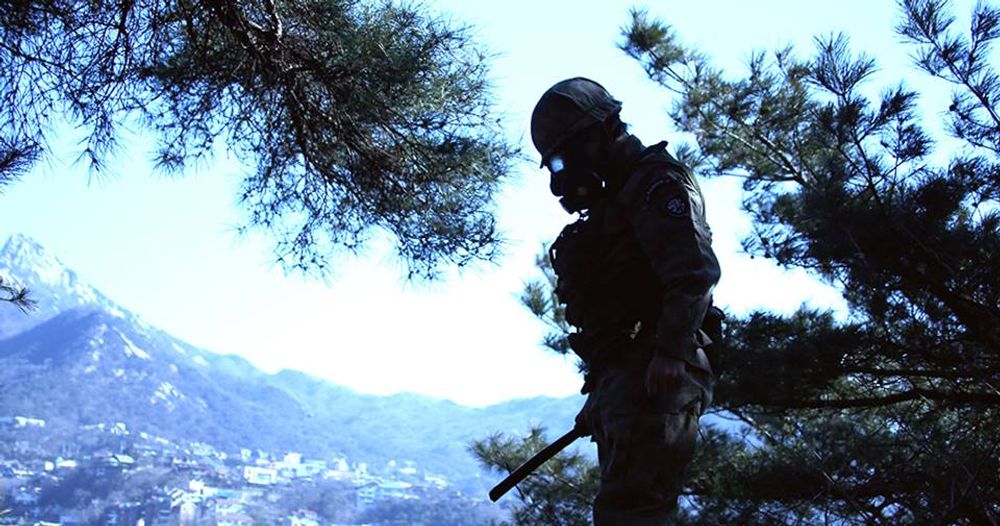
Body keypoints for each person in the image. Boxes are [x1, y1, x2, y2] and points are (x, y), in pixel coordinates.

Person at [531, 77, 720, 525]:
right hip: (629, 376)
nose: (563, 173)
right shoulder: (617, 197)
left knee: (633, 514)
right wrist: (602, 392)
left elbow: (695, 272)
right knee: (622, 512)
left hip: (657, 375)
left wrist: (671, 351)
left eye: (565, 156)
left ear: (596, 135)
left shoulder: (655, 183)